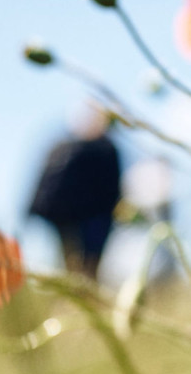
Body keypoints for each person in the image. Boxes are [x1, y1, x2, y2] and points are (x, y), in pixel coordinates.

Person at [29, 105, 122, 280]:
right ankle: (77, 298)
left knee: (85, 265)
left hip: (89, 218)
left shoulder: (95, 148)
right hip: (70, 218)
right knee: (75, 264)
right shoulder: (72, 148)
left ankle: (82, 297)